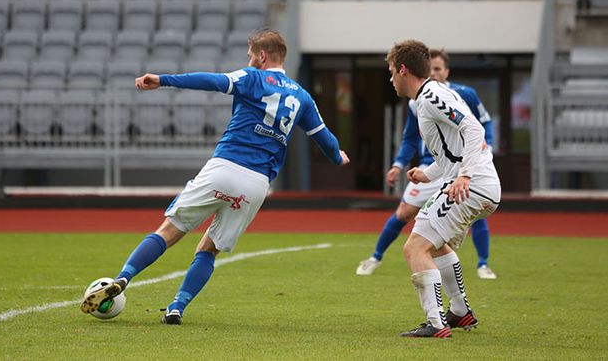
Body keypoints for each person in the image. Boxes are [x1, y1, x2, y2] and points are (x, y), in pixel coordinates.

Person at [81, 30, 350, 324]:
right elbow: (324, 138)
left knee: (170, 230)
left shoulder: (252, 77)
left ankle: (123, 278)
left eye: (250, 55)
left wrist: (163, 80)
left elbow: (212, 81)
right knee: (209, 249)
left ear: (261, 56)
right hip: (256, 184)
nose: (249, 60)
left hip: (225, 167)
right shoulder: (303, 97)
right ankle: (177, 307)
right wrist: (338, 157)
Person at [386, 40, 501, 338]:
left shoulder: (431, 96)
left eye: (391, 71)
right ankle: (460, 312)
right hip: (479, 185)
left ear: (403, 70)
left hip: (472, 185)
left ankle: (436, 324)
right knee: (435, 245)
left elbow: (474, 129)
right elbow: (452, 151)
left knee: (414, 248)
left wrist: (465, 175)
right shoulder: (428, 97)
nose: (391, 79)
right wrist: (427, 174)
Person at [357, 49, 497, 280]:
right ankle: (376, 257)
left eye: (438, 69)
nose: (433, 73)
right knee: (412, 220)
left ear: (447, 71)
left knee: (421, 242)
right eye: (430, 68)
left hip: (465, 171)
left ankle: (482, 264)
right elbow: (411, 137)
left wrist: (472, 165)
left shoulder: (455, 94)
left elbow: (478, 126)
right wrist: (404, 165)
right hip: (439, 166)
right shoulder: (418, 102)